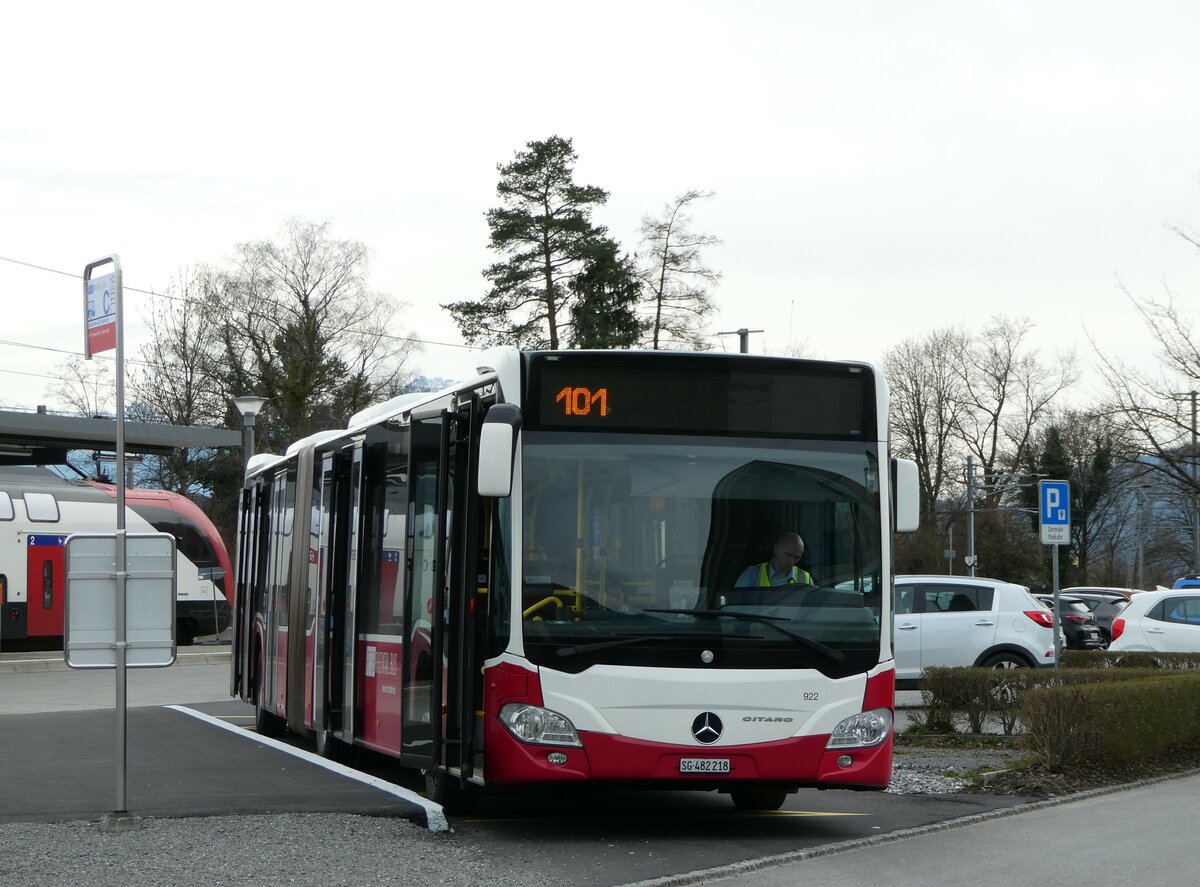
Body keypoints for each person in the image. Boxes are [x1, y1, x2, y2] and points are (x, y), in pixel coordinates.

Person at [735, 531, 813, 587]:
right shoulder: (752, 575)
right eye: (788, 555)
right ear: (776, 549)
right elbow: (736, 604)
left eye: (796, 557)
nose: (791, 561)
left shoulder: (805, 578)